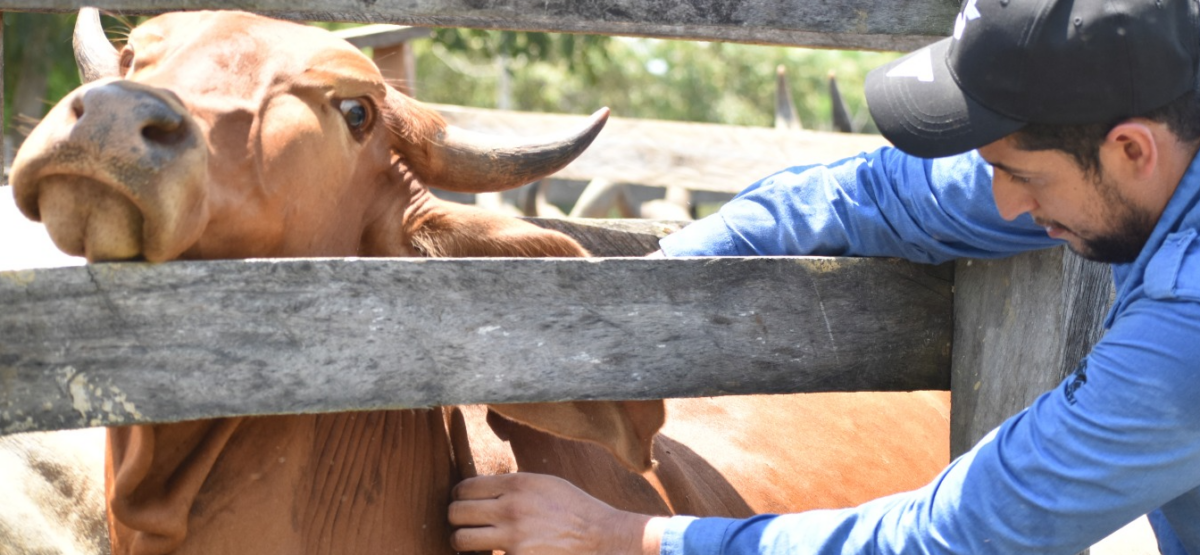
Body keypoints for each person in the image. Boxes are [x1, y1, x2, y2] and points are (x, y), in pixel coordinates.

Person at [446, 0, 1200, 553]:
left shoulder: (1184, 327)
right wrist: (647, 291)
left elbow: (956, 534)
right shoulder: (1137, 145)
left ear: (1132, 150)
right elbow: (871, 194)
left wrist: (623, 536)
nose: (1004, 204)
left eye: (1021, 175)